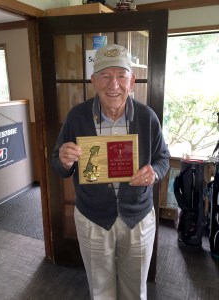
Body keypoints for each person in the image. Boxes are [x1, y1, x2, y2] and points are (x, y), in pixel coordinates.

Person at [52, 44, 170, 300]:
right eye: (105, 75)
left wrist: (155, 173)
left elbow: (163, 158)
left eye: (120, 75)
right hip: (93, 218)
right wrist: (64, 160)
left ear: (132, 81)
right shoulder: (77, 116)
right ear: (94, 81)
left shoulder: (147, 117)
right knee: (100, 290)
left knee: (135, 290)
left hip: (137, 218)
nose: (113, 84)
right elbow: (57, 165)